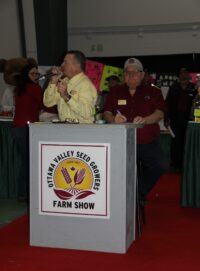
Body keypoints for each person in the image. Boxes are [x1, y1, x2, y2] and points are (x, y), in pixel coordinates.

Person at [103, 57, 168, 204]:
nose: (131, 75)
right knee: (109, 169)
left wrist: (145, 119)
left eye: (135, 72)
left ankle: (138, 192)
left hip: (147, 142)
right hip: (121, 143)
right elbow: (106, 112)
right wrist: (113, 119)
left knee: (161, 165)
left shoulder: (153, 92)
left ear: (142, 75)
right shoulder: (115, 91)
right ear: (123, 75)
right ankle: (117, 197)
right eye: (127, 72)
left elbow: (160, 113)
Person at [12, 63, 43, 202]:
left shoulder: (19, 88)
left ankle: (22, 193)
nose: (35, 76)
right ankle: (26, 193)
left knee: (25, 162)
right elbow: (46, 103)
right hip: (27, 128)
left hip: (18, 127)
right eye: (33, 73)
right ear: (26, 75)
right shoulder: (34, 88)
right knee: (29, 162)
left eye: (36, 73)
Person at [43, 50, 97, 123]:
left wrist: (67, 97)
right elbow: (48, 103)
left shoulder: (85, 84)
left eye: (65, 62)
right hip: (66, 129)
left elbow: (87, 113)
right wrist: (53, 83)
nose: (62, 65)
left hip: (82, 130)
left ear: (76, 65)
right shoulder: (63, 81)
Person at [165, 68, 196, 171]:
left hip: (190, 120)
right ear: (179, 76)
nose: (183, 76)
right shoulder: (173, 88)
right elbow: (167, 104)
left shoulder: (194, 88)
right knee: (175, 143)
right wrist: (166, 118)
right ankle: (175, 164)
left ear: (188, 76)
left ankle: (187, 163)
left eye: (185, 74)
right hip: (175, 119)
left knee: (187, 141)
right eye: (181, 74)